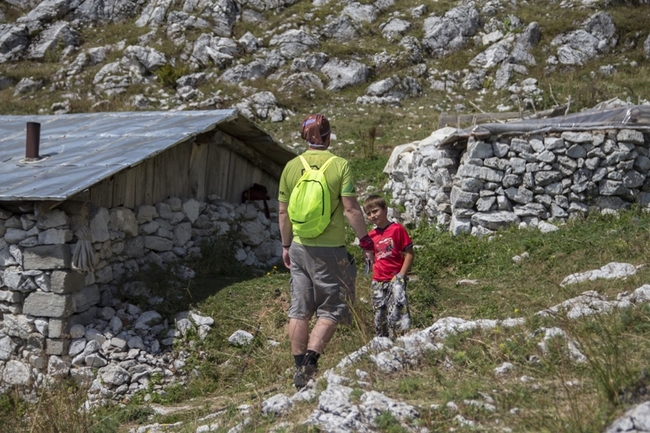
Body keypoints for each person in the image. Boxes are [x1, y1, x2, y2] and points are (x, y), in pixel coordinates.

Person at [278, 113, 375, 389]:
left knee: (299, 309)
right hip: (330, 249)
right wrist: (365, 242)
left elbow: (283, 212)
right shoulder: (339, 165)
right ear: (329, 136)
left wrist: (286, 245)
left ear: (303, 137)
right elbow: (351, 209)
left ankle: (298, 370)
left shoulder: (291, 166)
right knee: (331, 308)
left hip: (298, 246)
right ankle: (309, 365)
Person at [363, 194, 414, 339]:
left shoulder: (397, 229)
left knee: (398, 311)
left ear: (385, 209)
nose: (373, 216)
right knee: (379, 315)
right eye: (369, 213)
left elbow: (409, 254)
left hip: (394, 279)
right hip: (378, 280)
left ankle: (401, 340)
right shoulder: (371, 235)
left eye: (375, 211)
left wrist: (401, 276)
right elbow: (371, 258)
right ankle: (383, 342)